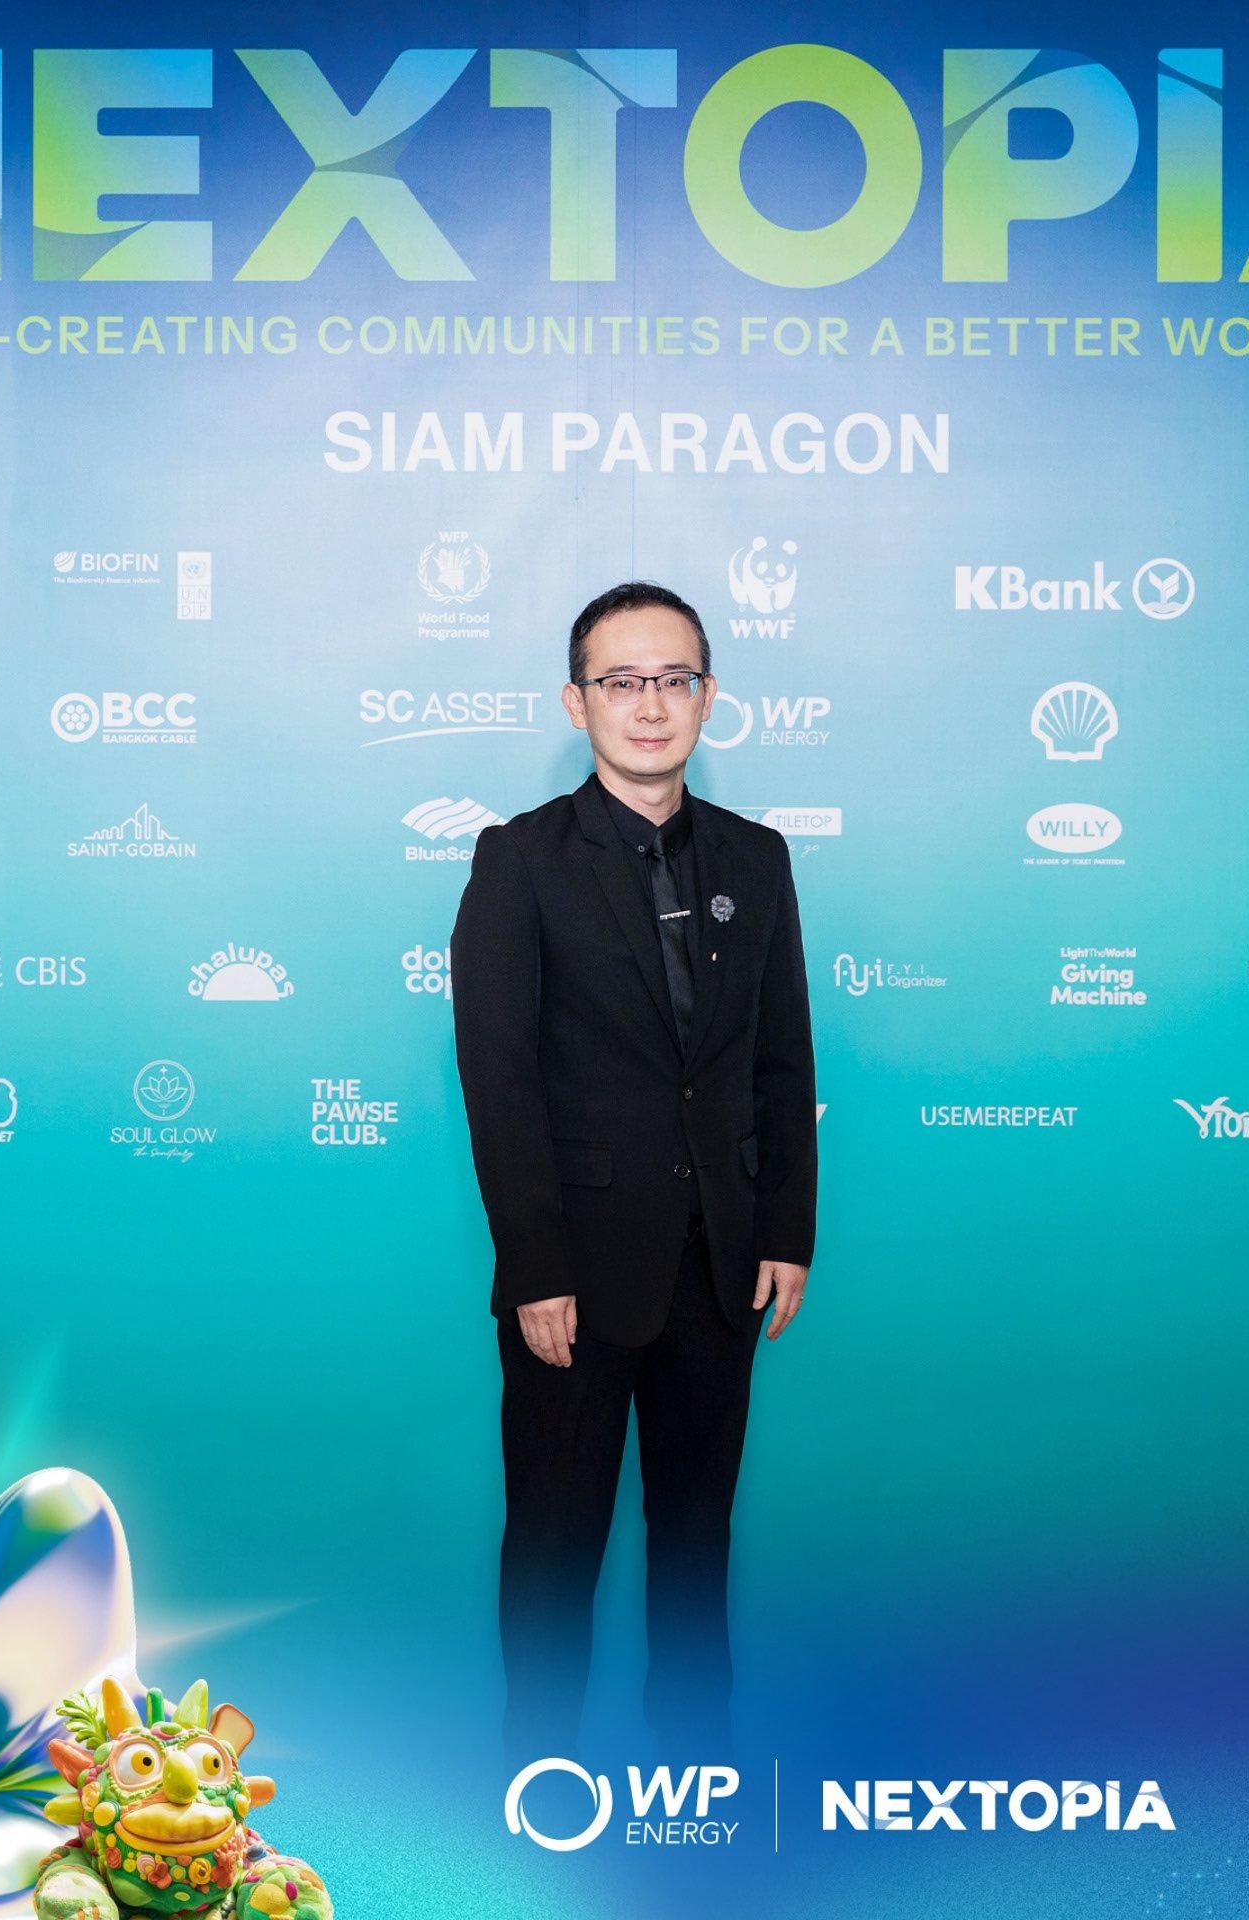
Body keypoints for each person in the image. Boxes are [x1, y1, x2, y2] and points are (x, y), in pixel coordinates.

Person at [450, 579, 818, 1750]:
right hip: (575, 1277)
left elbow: (780, 1056)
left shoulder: (758, 858)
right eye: (622, 681)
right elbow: (499, 1080)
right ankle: (536, 1784)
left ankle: (694, 1781)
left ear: (708, 698)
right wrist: (535, 1269)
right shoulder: (520, 860)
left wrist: (785, 1232)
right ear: (578, 702)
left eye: (674, 680)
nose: (650, 705)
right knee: (554, 1544)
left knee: (697, 1542)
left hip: (721, 1266)